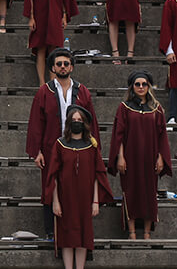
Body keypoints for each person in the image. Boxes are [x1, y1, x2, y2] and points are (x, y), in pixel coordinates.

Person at [26, 48, 97, 238]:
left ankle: (76, 231)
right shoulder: (44, 91)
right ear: (53, 67)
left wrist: (93, 147)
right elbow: (35, 124)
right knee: (51, 186)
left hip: (79, 147)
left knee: (76, 187)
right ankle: (51, 231)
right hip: (51, 148)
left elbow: (92, 123)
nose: (63, 67)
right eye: (59, 64)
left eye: (66, 64)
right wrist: (37, 152)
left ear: (72, 66)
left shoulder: (82, 91)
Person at [47, 105, 113, 267]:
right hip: (65, 198)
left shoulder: (92, 146)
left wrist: (95, 201)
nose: (77, 123)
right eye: (74, 120)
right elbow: (53, 175)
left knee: (83, 236)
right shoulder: (60, 145)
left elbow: (98, 174)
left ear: (85, 123)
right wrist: (55, 201)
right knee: (68, 237)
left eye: (80, 120)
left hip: (86, 198)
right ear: (69, 123)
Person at [108, 71, 172, 239]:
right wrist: (120, 157)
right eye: (138, 84)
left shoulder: (156, 109)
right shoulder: (124, 107)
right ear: (132, 87)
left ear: (149, 86)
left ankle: (146, 233)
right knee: (131, 191)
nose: (141, 87)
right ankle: (132, 232)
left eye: (144, 84)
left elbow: (162, 136)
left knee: (149, 193)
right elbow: (118, 135)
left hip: (150, 157)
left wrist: (160, 157)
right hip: (130, 157)